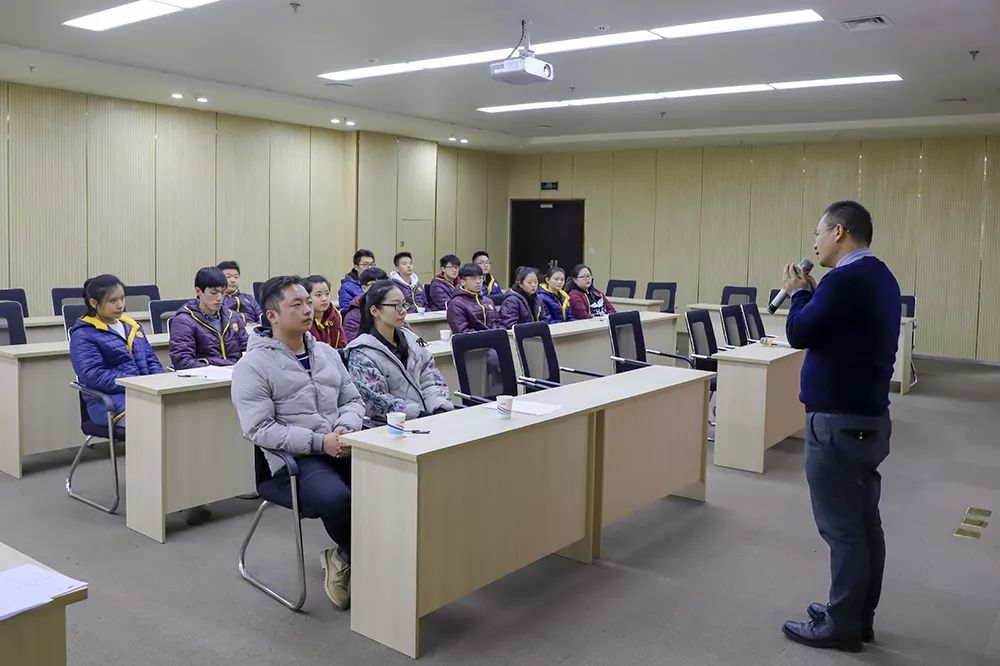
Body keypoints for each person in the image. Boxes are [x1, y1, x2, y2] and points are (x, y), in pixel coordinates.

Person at [780, 201, 900, 653]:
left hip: (838, 422)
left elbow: (799, 332)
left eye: (819, 232)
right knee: (865, 522)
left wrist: (797, 292)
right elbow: (829, 325)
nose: (813, 242)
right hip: (868, 418)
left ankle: (843, 625)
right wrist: (813, 294)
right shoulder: (880, 276)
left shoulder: (845, 280)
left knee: (842, 528)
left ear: (839, 232)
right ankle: (857, 614)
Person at [231, 276, 365, 610]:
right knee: (338, 499)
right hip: (295, 460)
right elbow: (259, 428)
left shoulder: (327, 353)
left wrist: (346, 427)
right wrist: (321, 442)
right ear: (272, 315)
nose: (308, 309)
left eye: (309, 301)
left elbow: (353, 399)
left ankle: (344, 555)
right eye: (297, 304)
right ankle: (359, 558)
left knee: (393, 481)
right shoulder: (253, 365)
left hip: (342, 443)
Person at [344, 280, 454, 419]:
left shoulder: (412, 340)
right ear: (374, 311)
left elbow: (431, 378)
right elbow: (375, 400)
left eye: (404, 304)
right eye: (396, 305)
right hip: (395, 427)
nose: (403, 310)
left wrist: (438, 407)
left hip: (427, 419)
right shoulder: (362, 352)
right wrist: (417, 414)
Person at [70, 274, 164, 428]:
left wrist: (158, 383)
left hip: (145, 393)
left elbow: (151, 361)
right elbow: (93, 376)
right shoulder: (83, 335)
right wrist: (136, 382)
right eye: (113, 301)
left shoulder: (132, 327)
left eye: (122, 298)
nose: (120, 305)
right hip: (109, 403)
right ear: (94, 303)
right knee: (153, 422)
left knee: (177, 411)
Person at [169, 267, 248, 370]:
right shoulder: (184, 321)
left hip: (237, 376)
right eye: (213, 293)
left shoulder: (233, 317)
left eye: (223, 292)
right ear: (198, 291)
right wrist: (222, 369)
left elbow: (249, 350)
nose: (219, 298)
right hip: (205, 380)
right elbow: (183, 361)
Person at [446, 263, 502, 334]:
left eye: (480, 278)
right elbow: (462, 331)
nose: (478, 282)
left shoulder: (488, 301)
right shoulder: (456, 304)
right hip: (471, 343)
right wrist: (488, 336)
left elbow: (499, 323)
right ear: (463, 282)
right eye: (473, 279)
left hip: (494, 340)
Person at [344, 267, 388, 343]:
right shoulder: (354, 315)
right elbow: (355, 345)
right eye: (373, 285)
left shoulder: (392, 307)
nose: (379, 289)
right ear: (364, 288)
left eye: (383, 285)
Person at [301, 275, 346, 349]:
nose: (324, 299)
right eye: (318, 295)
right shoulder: (301, 320)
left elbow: (342, 344)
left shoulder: (335, 316)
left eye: (327, 294)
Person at [217, 260, 262, 326]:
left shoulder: (248, 298)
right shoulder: (217, 299)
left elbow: (261, 316)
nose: (233, 280)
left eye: (236, 277)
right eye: (228, 277)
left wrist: (257, 325)